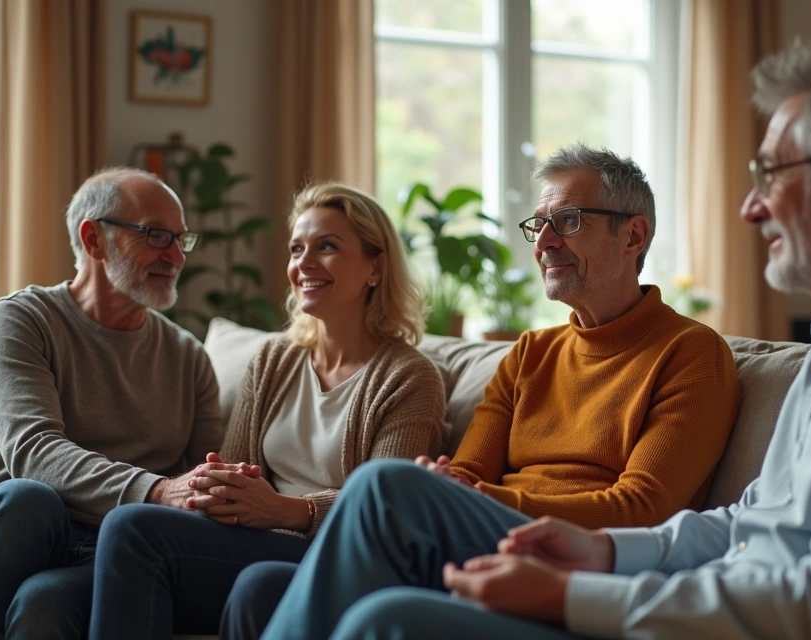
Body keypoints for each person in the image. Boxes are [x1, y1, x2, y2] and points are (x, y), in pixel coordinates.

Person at [256, 40, 811, 640]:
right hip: (679, 589)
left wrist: (574, 595)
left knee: (385, 587)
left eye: (771, 174)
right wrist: (601, 556)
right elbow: (748, 524)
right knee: (339, 561)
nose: (750, 208)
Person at [231, 143, 742, 639]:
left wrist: (469, 496)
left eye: (567, 221)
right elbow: (468, 472)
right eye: (538, 225)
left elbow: (643, 510)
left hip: (578, 564)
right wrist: (457, 489)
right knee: (261, 589)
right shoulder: (529, 354)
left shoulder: (692, 353)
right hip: (491, 538)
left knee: (385, 486)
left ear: (633, 236)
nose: (543, 243)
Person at [86, 182, 448, 639]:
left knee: (151, 536)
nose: (304, 264)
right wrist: (220, 486)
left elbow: (385, 508)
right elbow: (240, 467)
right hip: (256, 542)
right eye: (297, 249)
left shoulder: (410, 377)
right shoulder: (273, 359)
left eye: (328, 247)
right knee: (121, 537)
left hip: (341, 554)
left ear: (375, 267)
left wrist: (288, 510)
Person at [0, 168, 226, 640]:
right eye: (155, 235)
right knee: (31, 499)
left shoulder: (188, 356)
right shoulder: (23, 319)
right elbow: (33, 453)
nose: (174, 256)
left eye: (180, 239)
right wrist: (156, 491)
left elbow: (203, 470)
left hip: (108, 544)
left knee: (43, 603)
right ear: (94, 239)